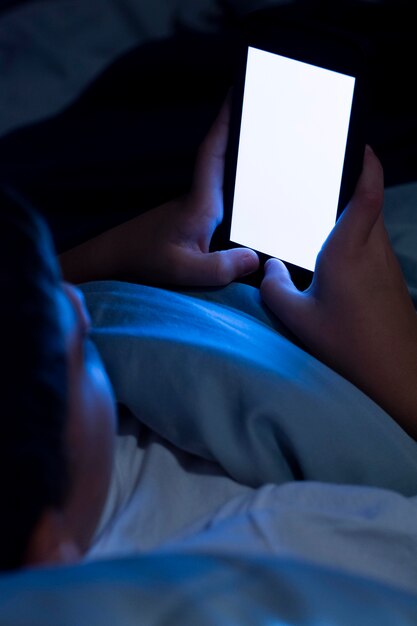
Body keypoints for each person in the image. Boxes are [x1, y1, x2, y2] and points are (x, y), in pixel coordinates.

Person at [1, 95, 416, 572]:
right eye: (79, 353)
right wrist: (404, 369)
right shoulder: (282, 542)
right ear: (50, 549)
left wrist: (105, 255)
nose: (78, 302)